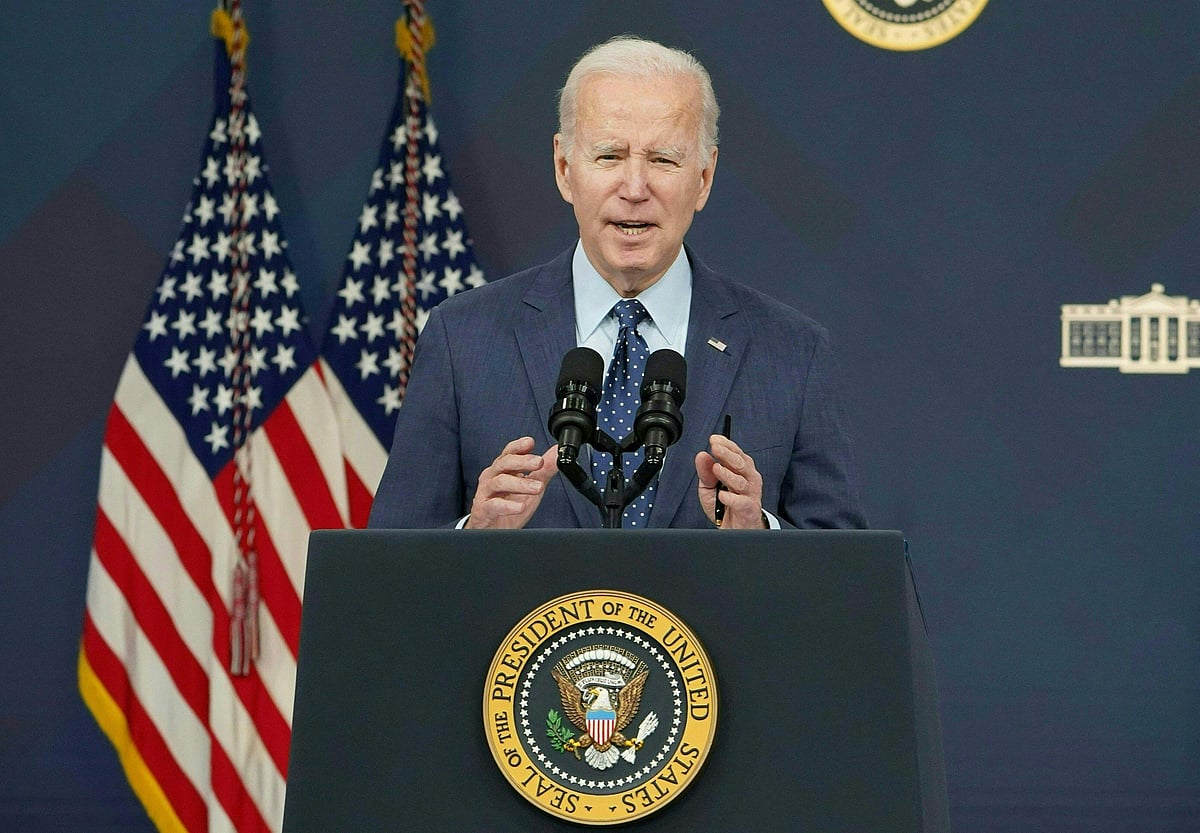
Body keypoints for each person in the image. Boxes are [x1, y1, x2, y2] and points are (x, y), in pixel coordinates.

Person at [368, 35, 867, 531]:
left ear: (704, 176)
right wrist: (472, 535)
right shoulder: (463, 339)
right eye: (609, 156)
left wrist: (761, 537)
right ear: (565, 169)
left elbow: (850, 589)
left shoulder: (793, 355)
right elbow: (387, 577)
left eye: (663, 160)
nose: (634, 189)